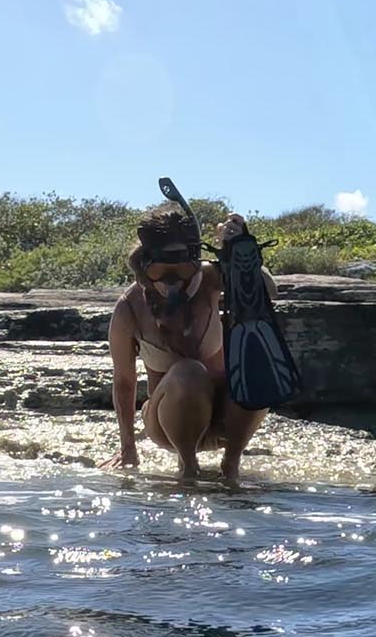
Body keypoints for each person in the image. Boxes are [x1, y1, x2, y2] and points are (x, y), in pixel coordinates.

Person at [100, 203, 276, 485]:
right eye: (160, 273)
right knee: (188, 371)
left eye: (181, 272)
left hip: (227, 417)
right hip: (167, 423)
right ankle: (188, 467)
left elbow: (269, 291)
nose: (171, 285)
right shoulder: (130, 308)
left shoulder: (210, 279)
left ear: (195, 264)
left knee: (258, 363)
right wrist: (128, 448)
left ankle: (231, 465)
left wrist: (240, 252)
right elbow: (124, 381)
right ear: (145, 268)